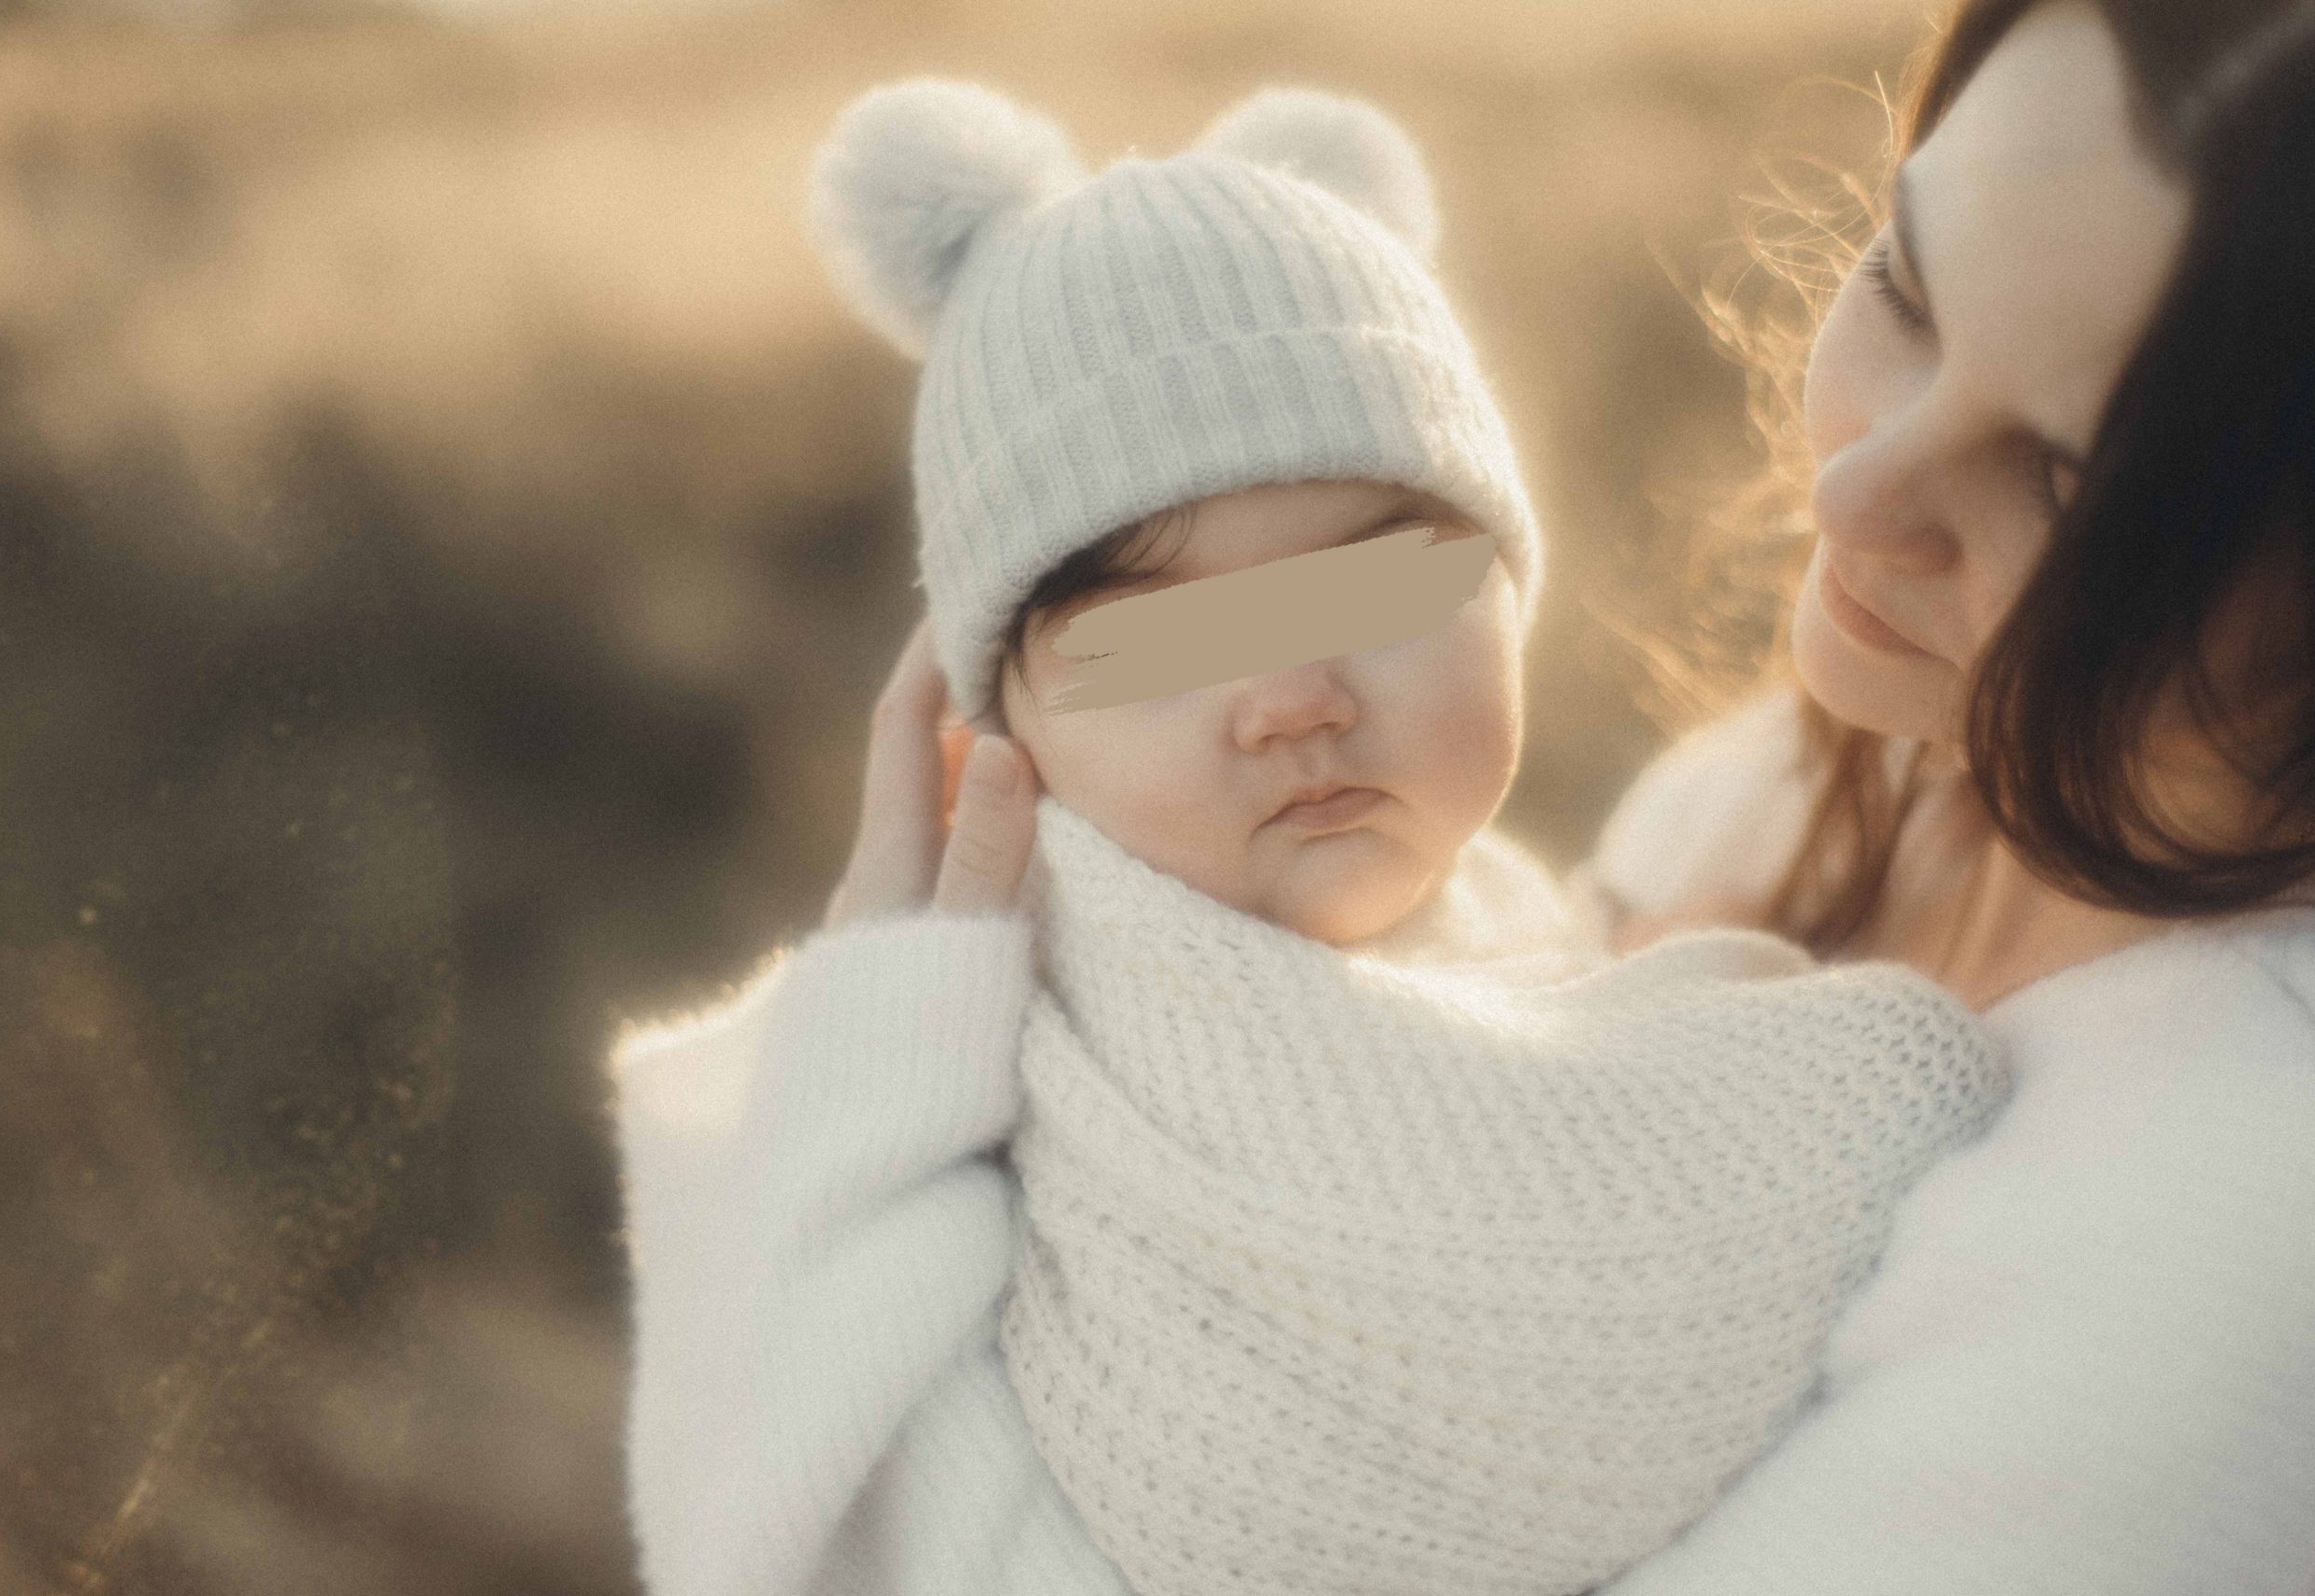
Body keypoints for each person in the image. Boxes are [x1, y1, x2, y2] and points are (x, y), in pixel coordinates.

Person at [605, 77, 2010, 1596]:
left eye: (1372, 585)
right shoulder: (992, 1090)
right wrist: (879, 1015)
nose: (1287, 697)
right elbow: (781, 1502)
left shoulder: (1569, 927)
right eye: (1150, 641)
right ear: (999, 737)